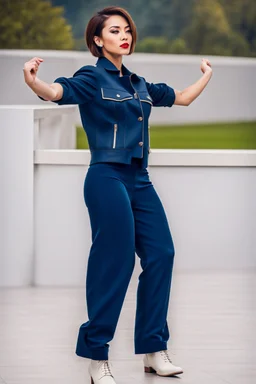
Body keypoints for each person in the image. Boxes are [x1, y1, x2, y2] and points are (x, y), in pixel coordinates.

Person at [23, 6, 212, 384]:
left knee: (161, 253)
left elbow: (182, 98)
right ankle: (97, 357)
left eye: (127, 30)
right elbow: (59, 92)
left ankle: (153, 350)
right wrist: (35, 82)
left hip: (139, 179)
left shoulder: (140, 84)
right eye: (114, 30)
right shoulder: (92, 78)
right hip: (106, 177)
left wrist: (206, 76)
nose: (124, 36)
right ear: (98, 39)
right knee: (117, 260)